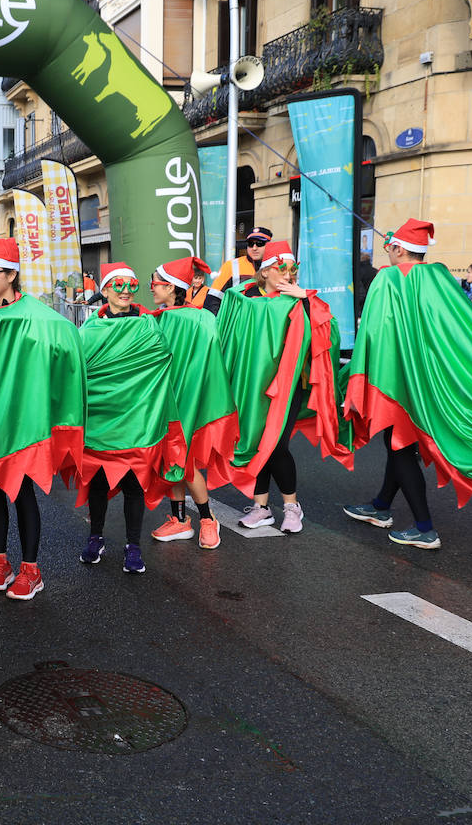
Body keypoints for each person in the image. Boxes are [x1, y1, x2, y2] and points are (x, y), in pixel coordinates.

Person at [0, 237, 85, 601]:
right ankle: (1, 562)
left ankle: (31, 569)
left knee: (22, 491)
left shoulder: (37, 316)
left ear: (12, 274)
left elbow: (64, 342)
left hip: (22, 420)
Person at [221, 240, 351, 533]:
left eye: (293, 269)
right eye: (282, 269)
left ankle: (292, 508)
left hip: (289, 386)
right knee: (257, 442)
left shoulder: (299, 300)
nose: (289, 275)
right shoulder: (242, 298)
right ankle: (261, 507)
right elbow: (227, 338)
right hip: (252, 384)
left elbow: (327, 331)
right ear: (265, 271)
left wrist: (306, 298)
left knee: (276, 444)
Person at [343, 219, 441, 549]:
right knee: (398, 444)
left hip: (395, 379)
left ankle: (424, 527)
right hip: (426, 378)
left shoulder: (387, 278)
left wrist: (362, 372)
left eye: (390, 248)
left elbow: (374, 328)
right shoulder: (438, 278)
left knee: (400, 446)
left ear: (399, 249)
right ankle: (381, 506)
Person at [78, 262, 154, 574]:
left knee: (134, 483)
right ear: (106, 290)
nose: (125, 291)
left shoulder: (148, 323)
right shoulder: (90, 329)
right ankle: (96, 536)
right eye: (118, 285)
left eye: (131, 285)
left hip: (136, 417)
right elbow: (79, 371)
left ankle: (133, 545)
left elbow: (160, 362)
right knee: (98, 481)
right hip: (101, 419)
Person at [148, 258, 226, 549]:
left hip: (189, 400)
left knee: (186, 461)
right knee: (171, 460)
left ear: (170, 287)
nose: (151, 288)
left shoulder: (199, 318)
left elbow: (212, 359)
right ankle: (179, 520)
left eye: (154, 283)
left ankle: (207, 519)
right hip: (164, 400)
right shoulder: (157, 317)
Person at [209, 226, 271, 295]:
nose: (254, 248)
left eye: (260, 243)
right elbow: (214, 297)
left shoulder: (277, 266)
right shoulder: (231, 265)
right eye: (250, 244)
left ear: (270, 245)